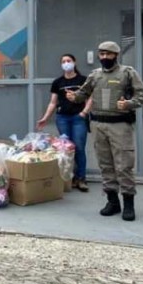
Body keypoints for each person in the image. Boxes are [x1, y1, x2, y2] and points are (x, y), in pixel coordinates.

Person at [67, 41, 143, 221]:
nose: (104, 57)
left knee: (124, 165)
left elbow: (142, 94)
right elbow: (83, 93)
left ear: (116, 55)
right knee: (105, 165)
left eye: (108, 54)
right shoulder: (95, 75)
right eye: (101, 54)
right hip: (98, 125)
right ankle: (112, 202)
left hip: (120, 125)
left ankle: (128, 204)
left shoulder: (128, 72)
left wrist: (129, 104)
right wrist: (74, 97)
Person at [37, 54, 93, 191]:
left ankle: (81, 178)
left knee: (79, 148)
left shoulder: (83, 80)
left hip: (78, 118)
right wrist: (45, 117)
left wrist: (84, 112)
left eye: (69, 61)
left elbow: (91, 98)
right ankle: (69, 177)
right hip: (62, 118)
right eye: (63, 61)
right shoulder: (58, 82)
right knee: (66, 149)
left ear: (74, 62)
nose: (66, 63)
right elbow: (53, 103)